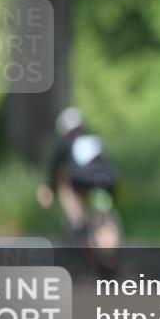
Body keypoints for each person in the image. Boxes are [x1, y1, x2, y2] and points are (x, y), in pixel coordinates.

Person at [37, 107, 119, 251]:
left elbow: (54, 171)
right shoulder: (94, 140)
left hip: (80, 184)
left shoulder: (64, 145)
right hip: (106, 181)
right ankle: (107, 234)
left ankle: (77, 222)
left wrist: (50, 189)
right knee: (106, 215)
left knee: (66, 188)